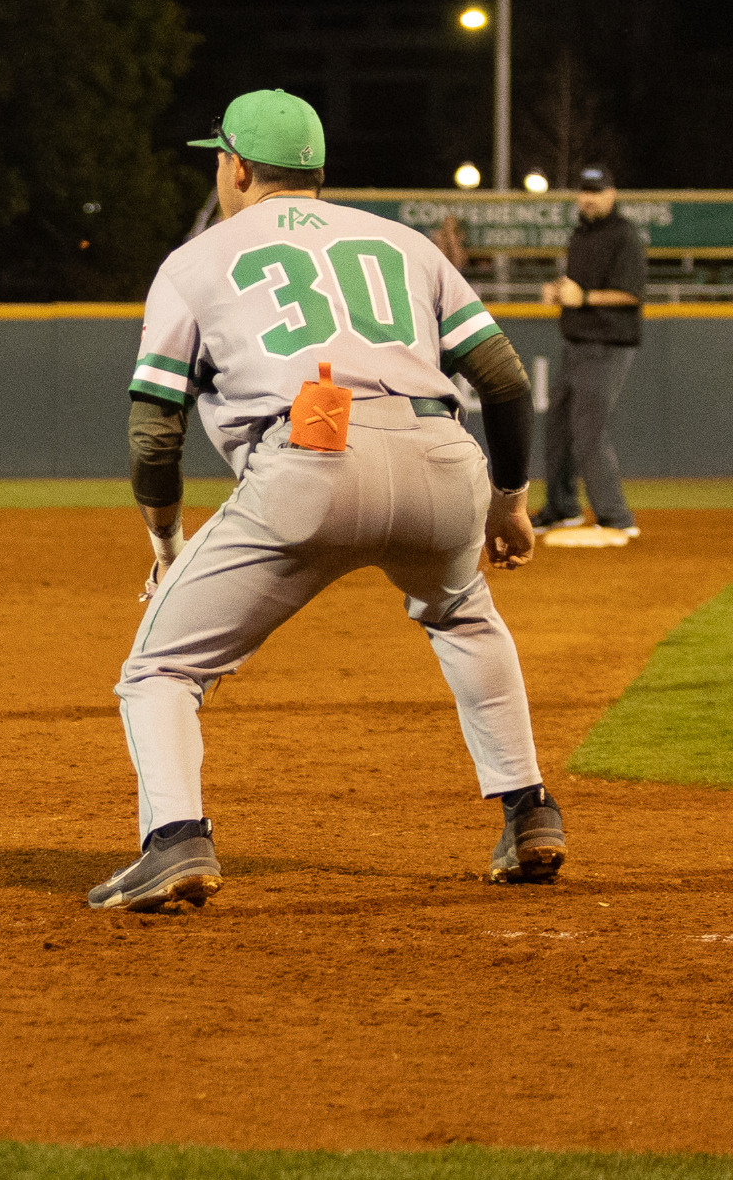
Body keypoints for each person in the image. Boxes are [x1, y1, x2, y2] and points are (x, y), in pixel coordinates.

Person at [89, 89, 564, 912]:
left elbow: (153, 430)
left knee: (160, 668)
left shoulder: (195, 259)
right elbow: (504, 380)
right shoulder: (403, 243)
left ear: (235, 166)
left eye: (220, 157)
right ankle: (530, 813)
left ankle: (175, 839)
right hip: (442, 457)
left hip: (312, 453)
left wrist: (166, 542)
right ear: (314, 173)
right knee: (463, 612)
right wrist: (509, 500)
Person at [532, 164, 645, 539]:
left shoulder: (625, 235)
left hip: (607, 344)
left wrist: (582, 298)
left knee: (588, 432)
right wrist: (559, 291)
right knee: (557, 428)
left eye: (596, 191)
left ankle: (616, 517)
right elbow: (577, 288)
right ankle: (562, 508)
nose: (588, 198)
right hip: (576, 342)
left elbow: (631, 293)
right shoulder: (581, 233)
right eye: (584, 191)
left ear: (611, 194)